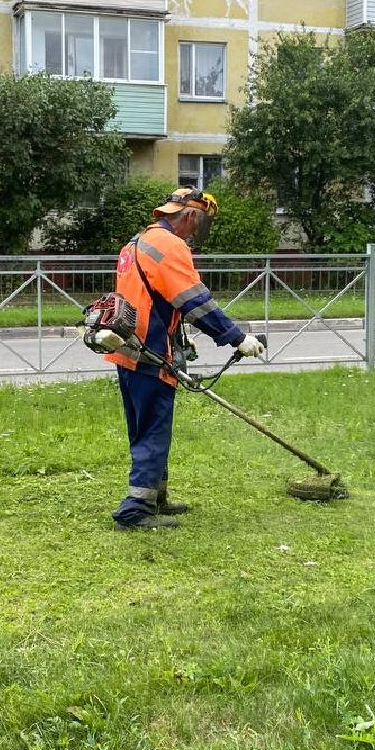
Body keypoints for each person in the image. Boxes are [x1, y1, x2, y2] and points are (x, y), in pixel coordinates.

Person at [103, 187, 266, 529]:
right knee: (153, 428)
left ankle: (155, 497)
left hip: (128, 349)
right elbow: (194, 301)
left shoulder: (136, 242)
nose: (197, 233)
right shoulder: (170, 246)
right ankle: (135, 511)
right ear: (190, 215)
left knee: (145, 426)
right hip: (151, 351)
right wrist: (238, 338)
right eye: (200, 224)